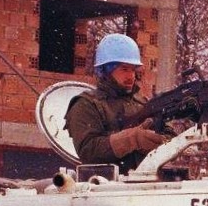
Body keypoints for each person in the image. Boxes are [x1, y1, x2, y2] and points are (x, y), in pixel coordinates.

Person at [65, 33, 165, 174]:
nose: (131, 76)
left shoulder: (142, 103)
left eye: (133, 69)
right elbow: (88, 151)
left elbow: (168, 136)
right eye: (124, 69)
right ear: (106, 70)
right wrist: (131, 139)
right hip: (103, 184)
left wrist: (160, 141)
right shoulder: (86, 104)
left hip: (145, 181)